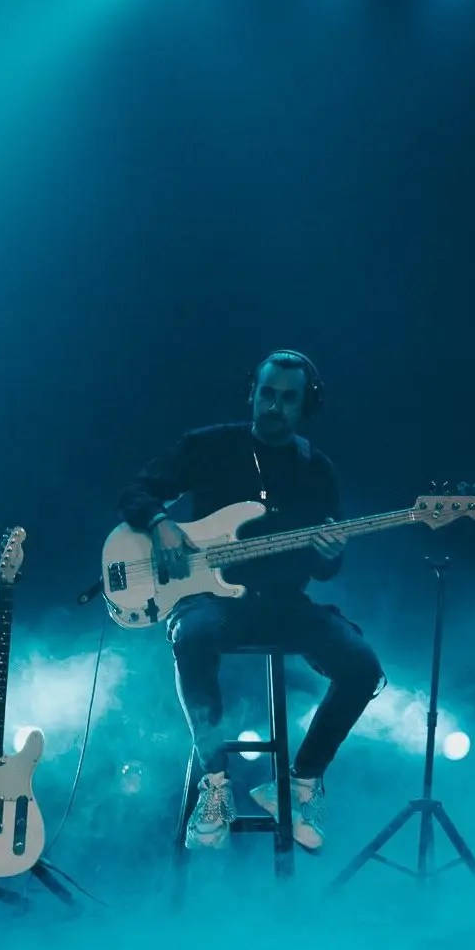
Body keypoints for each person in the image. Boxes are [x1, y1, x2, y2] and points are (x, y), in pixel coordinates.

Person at [118, 350, 382, 851]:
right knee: (192, 635)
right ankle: (214, 785)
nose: (274, 407)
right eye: (267, 394)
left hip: (283, 604)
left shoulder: (316, 469)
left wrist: (331, 553)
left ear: (306, 406)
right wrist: (160, 524)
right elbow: (136, 491)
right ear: (252, 393)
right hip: (207, 601)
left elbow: (325, 570)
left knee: (362, 666)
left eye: (288, 398)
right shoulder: (208, 446)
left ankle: (300, 784)